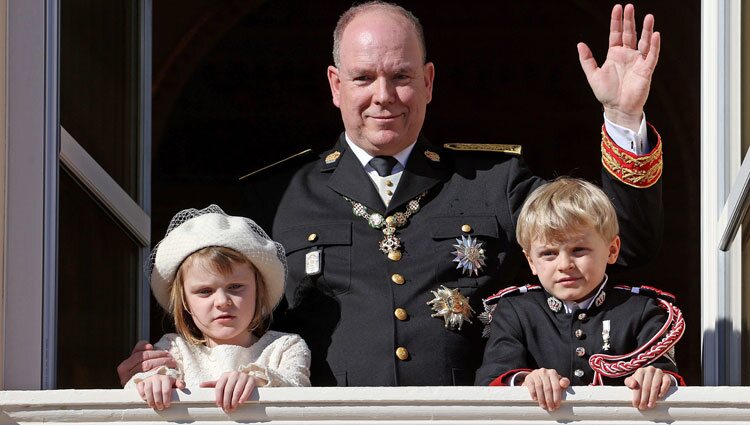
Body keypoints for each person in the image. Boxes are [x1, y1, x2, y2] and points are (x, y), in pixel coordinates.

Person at [119, 2, 665, 387]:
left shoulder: (492, 182)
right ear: (336, 86)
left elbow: (624, 242)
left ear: (428, 81)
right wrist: (168, 363)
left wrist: (622, 117)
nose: (384, 96)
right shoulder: (275, 198)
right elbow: (225, 312)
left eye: (401, 76)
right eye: (364, 78)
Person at [474, 178, 684, 411]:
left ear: (612, 250)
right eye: (549, 253)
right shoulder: (515, 311)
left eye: (579, 250)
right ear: (531, 262)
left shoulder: (642, 309)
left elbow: (667, 376)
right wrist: (525, 380)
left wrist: (655, 378)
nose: (564, 264)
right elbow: (491, 382)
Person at [125, 205, 310, 411]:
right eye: (205, 291)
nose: (222, 301)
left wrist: (257, 382)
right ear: (185, 301)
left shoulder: (284, 348)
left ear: (258, 291)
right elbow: (140, 383)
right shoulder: (174, 349)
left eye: (235, 287)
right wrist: (153, 383)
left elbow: (297, 389)